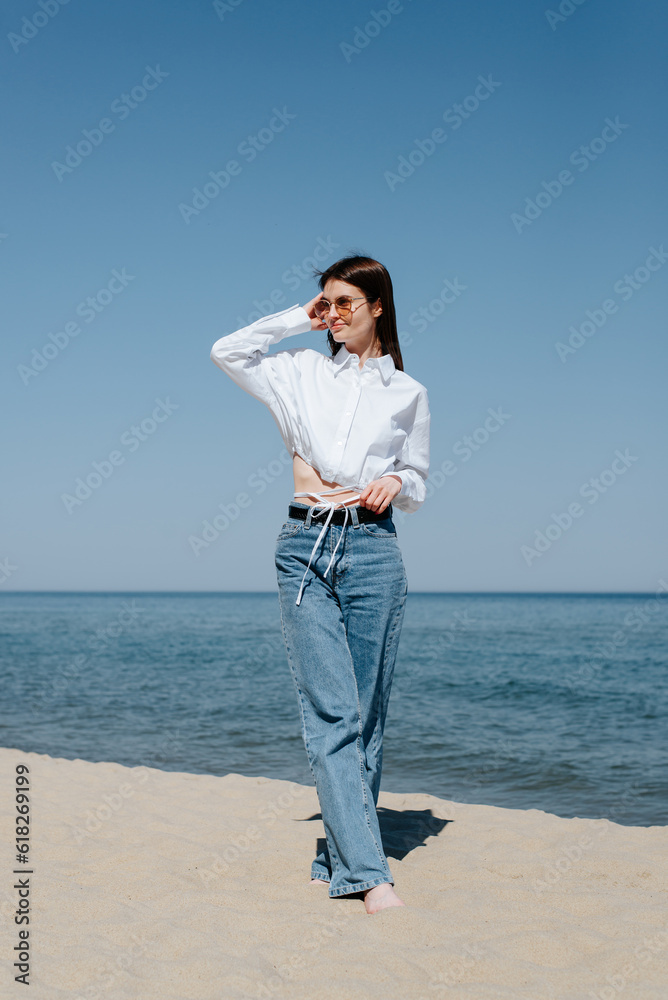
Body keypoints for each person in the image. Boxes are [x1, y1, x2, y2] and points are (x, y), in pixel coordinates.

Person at [210, 254, 430, 914]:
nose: (332, 315)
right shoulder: (297, 372)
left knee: (365, 719)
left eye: (344, 303)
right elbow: (226, 351)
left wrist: (400, 482)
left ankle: (332, 854)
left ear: (378, 306)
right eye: (324, 304)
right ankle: (369, 874)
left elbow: (417, 478)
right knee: (331, 715)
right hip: (305, 546)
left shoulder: (409, 392)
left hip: (373, 551)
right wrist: (295, 320)